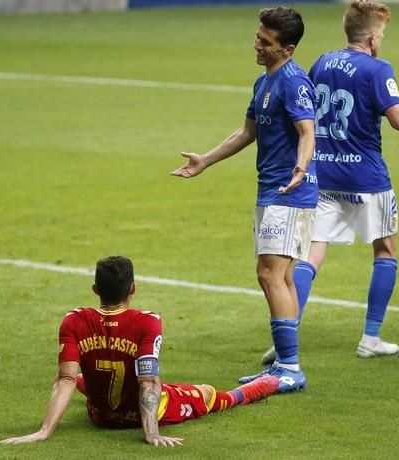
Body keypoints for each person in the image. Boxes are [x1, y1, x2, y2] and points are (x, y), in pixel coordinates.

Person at [257, 0, 399, 365]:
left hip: (322, 172)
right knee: (386, 250)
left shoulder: (321, 62)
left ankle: (288, 330)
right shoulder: (377, 67)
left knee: (311, 254)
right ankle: (371, 337)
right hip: (366, 176)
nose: (381, 39)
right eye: (381, 33)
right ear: (371, 36)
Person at [171, 7, 317, 392]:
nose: (256, 45)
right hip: (270, 189)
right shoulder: (263, 82)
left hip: (289, 191)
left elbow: (307, 132)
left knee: (269, 274)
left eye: (265, 42)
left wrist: (301, 167)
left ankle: (289, 367)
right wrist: (206, 159)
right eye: (257, 36)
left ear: (286, 48)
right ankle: (286, 365)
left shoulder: (294, 82)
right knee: (279, 275)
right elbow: (246, 132)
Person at [0, 256, 279, 447]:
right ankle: (257, 388)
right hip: (142, 414)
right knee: (207, 393)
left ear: (95, 289)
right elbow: (148, 381)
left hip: (100, 415)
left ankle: (95, 388)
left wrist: (44, 431)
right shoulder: (147, 322)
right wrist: (152, 433)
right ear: (133, 287)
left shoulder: (73, 320)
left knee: (73, 374)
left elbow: (65, 380)